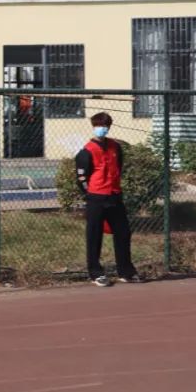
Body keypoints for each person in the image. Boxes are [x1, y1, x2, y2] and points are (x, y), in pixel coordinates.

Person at [75, 112, 142, 287]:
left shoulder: (115, 147)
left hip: (114, 196)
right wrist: (90, 194)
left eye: (105, 126)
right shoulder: (86, 151)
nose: (102, 129)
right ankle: (95, 273)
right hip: (96, 198)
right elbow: (81, 178)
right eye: (98, 125)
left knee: (123, 232)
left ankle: (126, 271)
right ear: (93, 127)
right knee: (94, 235)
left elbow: (119, 167)